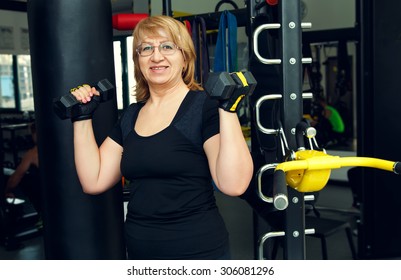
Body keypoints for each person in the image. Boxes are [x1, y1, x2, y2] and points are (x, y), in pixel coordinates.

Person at [69, 15, 253, 260]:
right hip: (140, 250)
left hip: (197, 252)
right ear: (138, 61)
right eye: (146, 48)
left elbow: (234, 184)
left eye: (167, 46)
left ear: (185, 57)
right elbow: (94, 180)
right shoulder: (131, 116)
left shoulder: (204, 107)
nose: (156, 57)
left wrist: (228, 110)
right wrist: (81, 119)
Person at [4, 122, 41, 213]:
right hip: (65, 194)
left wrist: (6, 192)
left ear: (35, 134)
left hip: (46, 196)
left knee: (27, 179)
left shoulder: (32, 153)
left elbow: (17, 176)